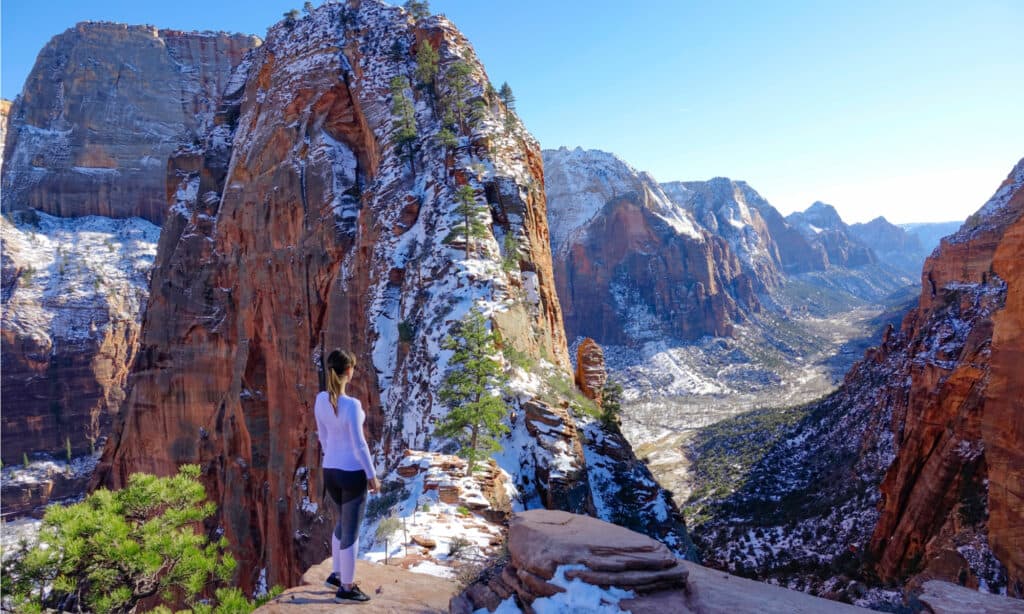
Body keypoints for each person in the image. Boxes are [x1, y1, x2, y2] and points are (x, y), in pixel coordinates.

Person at [314, 349, 380, 603]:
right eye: (352, 366)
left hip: (330, 471)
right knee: (351, 530)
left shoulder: (321, 400)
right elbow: (359, 445)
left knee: (341, 521)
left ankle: (336, 573)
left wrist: (332, 456)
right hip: (352, 473)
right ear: (348, 371)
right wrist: (372, 476)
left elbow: (323, 436)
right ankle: (346, 587)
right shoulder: (352, 405)